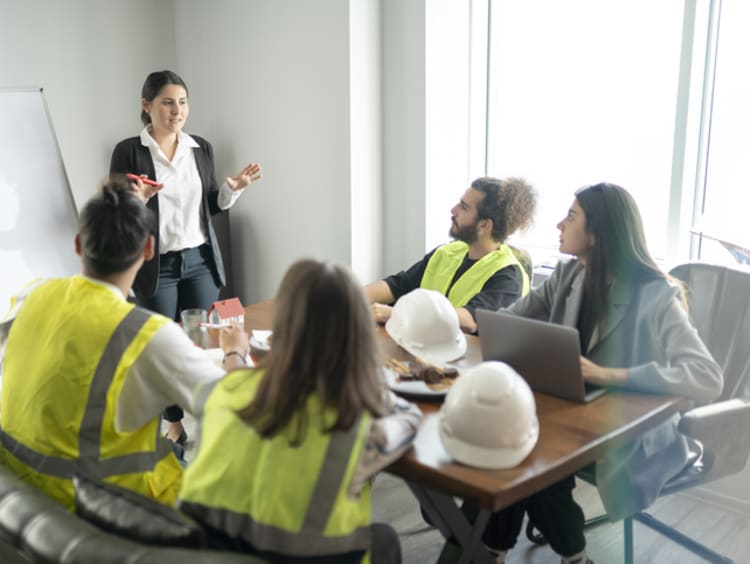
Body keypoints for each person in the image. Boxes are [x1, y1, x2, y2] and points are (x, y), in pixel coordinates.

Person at [447, 182, 723, 564]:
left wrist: (611, 375)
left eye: (571, 216)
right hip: (572, 418)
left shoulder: (657, 295)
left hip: (633, 435)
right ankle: (520, 552)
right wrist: (463, 329)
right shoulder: (567, 276)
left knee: (532, 458)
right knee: (520, 447)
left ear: (598, 232)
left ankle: (497, 551)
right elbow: (504, 322)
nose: (560, 224)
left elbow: (706, 375)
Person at [0, 178, 248, 511]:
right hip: (101, 507)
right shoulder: (147, 334)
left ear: (78, 244)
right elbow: (236, 407)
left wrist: (130, 205)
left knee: (167, 448)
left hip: (21, 491)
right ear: (149, 249)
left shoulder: (32, 296)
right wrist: (235, 351)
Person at [178, 259, 423, 564]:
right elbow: (410, 420)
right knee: (383, 539)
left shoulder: (221, 392)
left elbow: (238, 377)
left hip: (205, 556)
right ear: (357, 336)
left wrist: (234, 353)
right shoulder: (361, 423)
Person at [110, 69, 262, 444]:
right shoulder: (129, 151)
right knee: (163, 349)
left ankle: (212, 418)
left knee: (203, 344)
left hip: (199, 262)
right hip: (155, 267)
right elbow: (116, 210)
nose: (176, 110)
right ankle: (173, 421)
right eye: (167, 102)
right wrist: (136, 201)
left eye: (182, 102)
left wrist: (233, 190)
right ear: (147, 106)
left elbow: (212, 205)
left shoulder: (201, 148)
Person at [365, 176, 536, 334]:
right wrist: (351, 296)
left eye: (464, 207)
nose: (453, 210)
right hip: (426, 348)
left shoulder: (508, 276)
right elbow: (399, 285)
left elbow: (469, 320)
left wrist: (399, 314)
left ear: (484, 225)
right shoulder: (447, 252)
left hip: (466, 361)